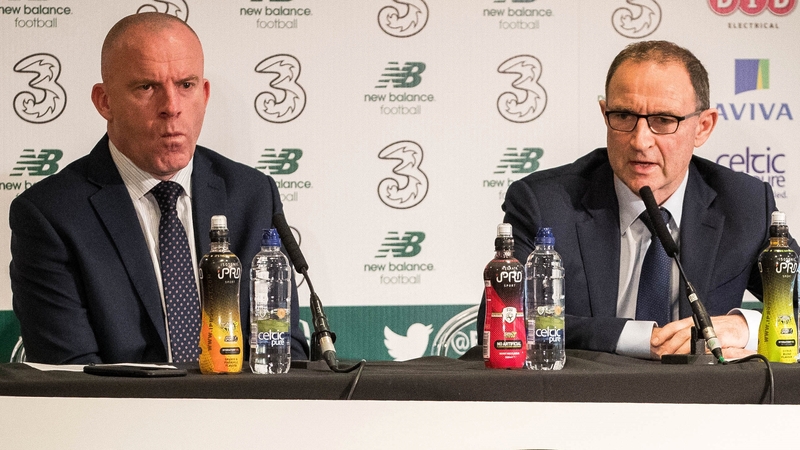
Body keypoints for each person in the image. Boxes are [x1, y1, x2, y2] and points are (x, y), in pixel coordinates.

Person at [10, 12, 309, 364]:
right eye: (146, 87)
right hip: (118, 416)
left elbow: (281, 348)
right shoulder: (51, 214)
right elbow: (71, 375)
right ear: (104, 101)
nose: (171, 107)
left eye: (186, 85)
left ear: (205, 93)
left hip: (241, 414)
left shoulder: (253, 195)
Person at [478, 40, 798, 360]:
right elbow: (503, 322)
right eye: (624, 115)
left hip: (704, 401)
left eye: (663, 120)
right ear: (605, 114)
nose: (640, 140)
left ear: (703, 126)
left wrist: (747, 327)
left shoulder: (745, 204)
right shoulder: (544, 203)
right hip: (584, 399)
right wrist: (643, 339)